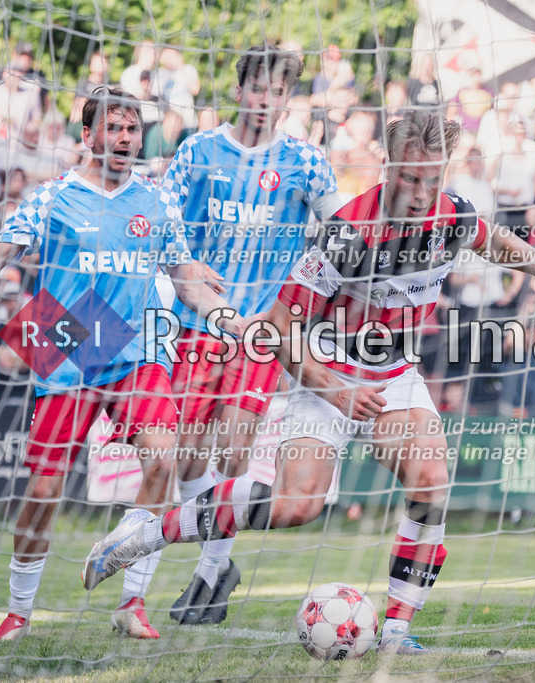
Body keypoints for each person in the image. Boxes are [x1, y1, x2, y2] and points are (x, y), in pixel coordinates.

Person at [82, 109, 535, 655]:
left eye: (431, 178)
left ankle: (396, 630)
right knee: (296, 507)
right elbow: (278, 332)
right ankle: (149, 534)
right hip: (326, 374)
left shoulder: (451, 214)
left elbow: (490, 240)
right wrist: (336, 390)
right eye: (409, 177)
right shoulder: (349, 234)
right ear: (387, 167)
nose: (420, 193)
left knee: (431, 480)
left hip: (392, 376)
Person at [0, 86, 242, 642]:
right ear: (88, 135)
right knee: (42, 495)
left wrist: (231, 319)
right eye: (115, 129)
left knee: (163, 458)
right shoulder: (51, 198)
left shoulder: (157, 201)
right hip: (69, 354)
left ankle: (132, 600)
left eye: (133, 129)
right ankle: (19, 611)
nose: (126, 139)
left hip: (136, 351)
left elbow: (184, 277)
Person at [155, 44, 341, 630]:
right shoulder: (198, 152)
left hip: (263, 333)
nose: (267, 98)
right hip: (200, 324)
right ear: (239, 92)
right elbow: (164, 228)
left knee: (235, 449)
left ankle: (212, 573)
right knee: (186, 454)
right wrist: (184, 271)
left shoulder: (306, 163)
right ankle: (216, 567)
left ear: (288, 100)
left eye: (279, 91)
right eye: (258, 88)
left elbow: (342, 231)